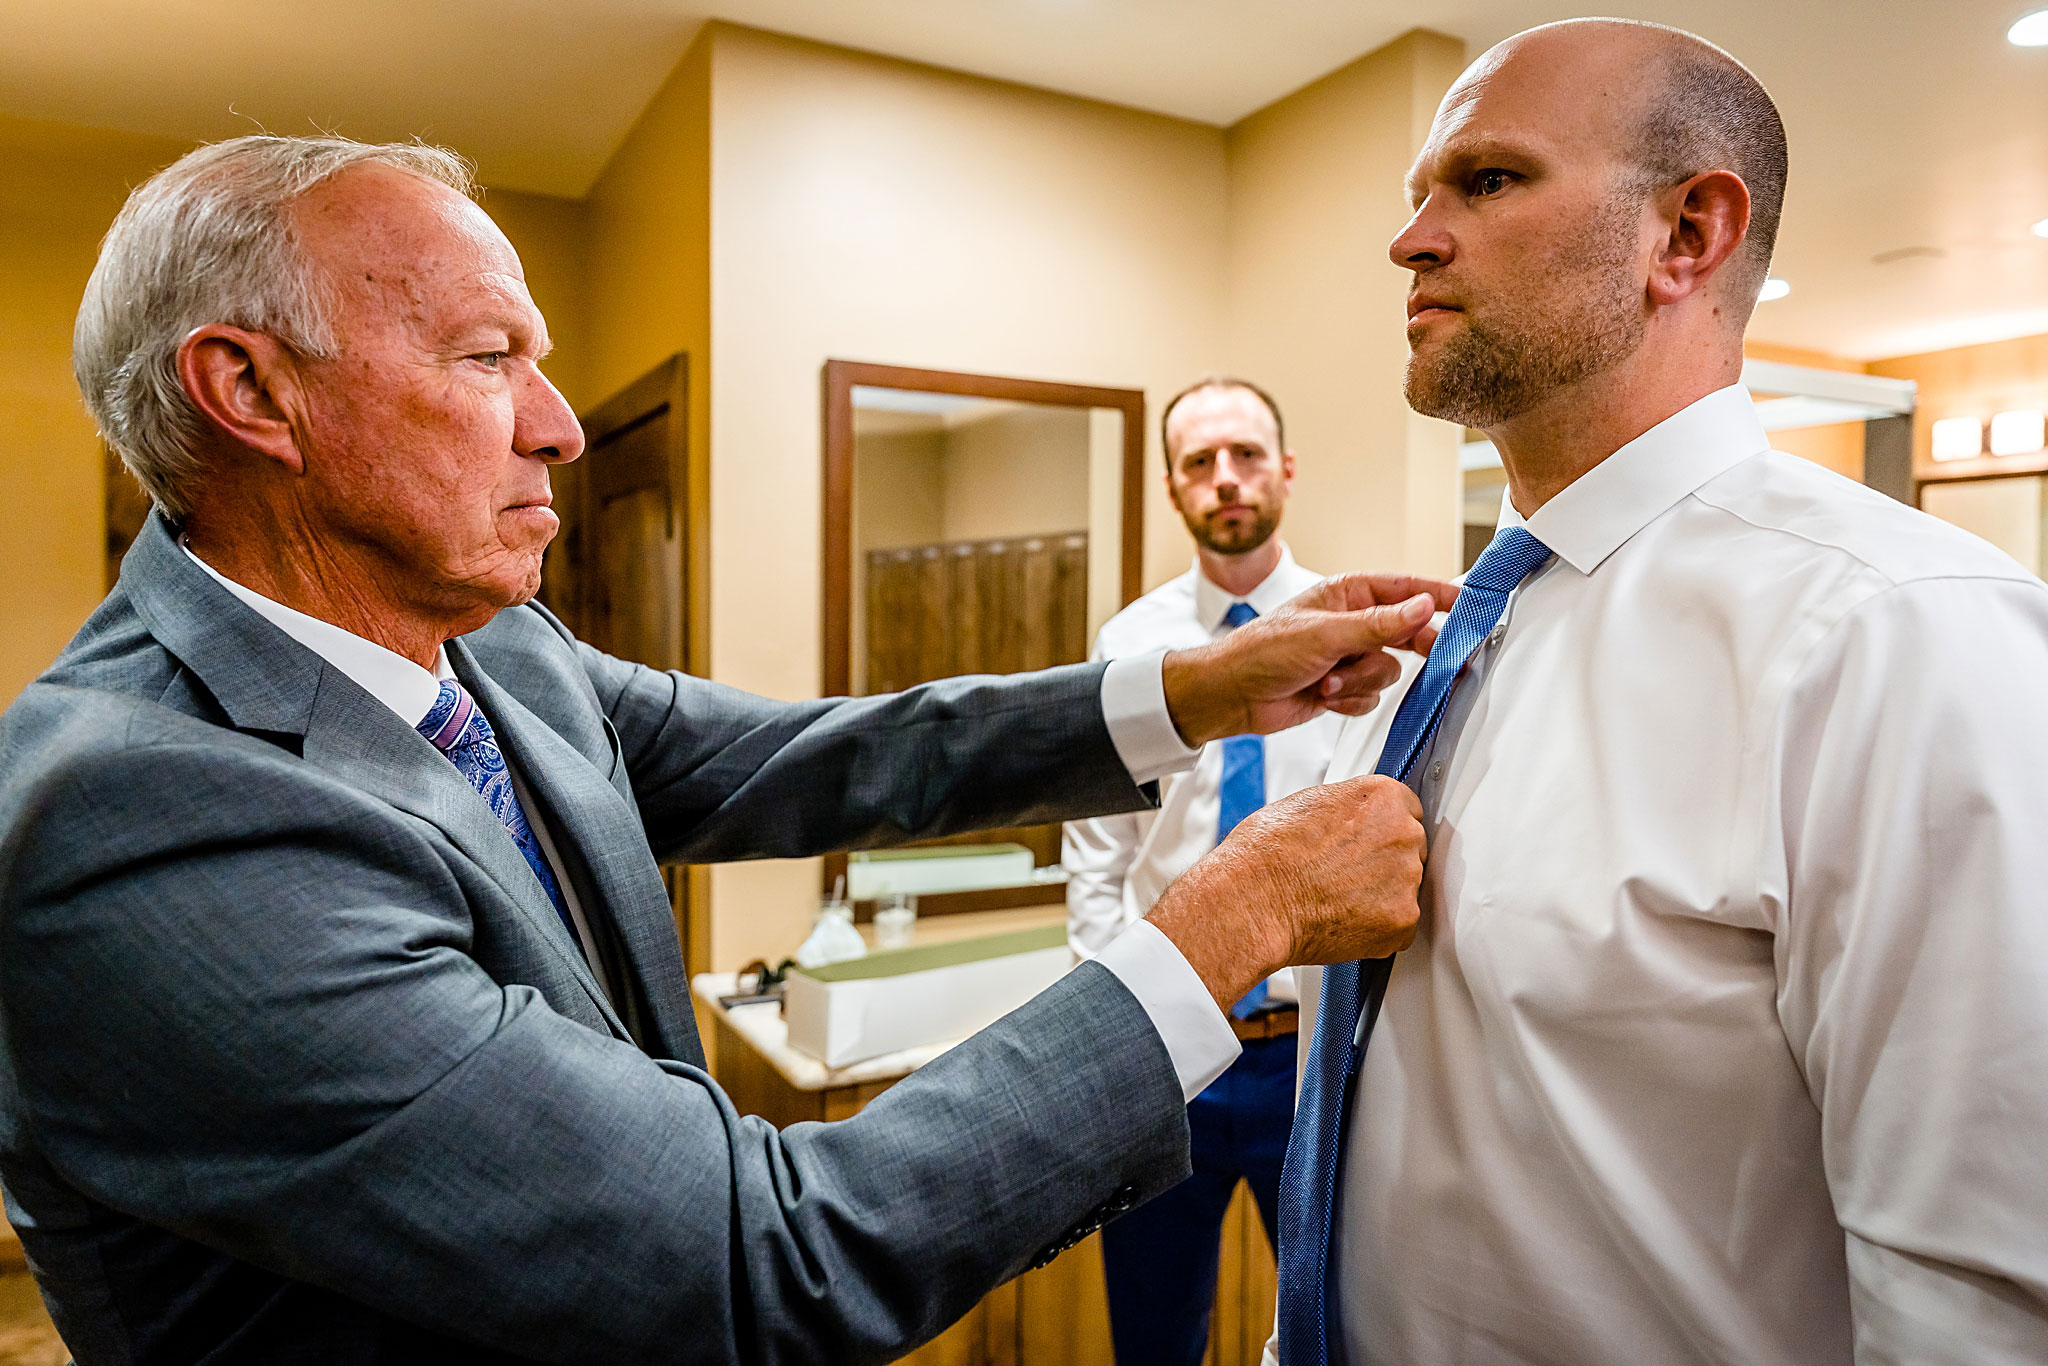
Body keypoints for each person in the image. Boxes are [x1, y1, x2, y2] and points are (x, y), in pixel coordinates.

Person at [0, 136, 1463, 1365]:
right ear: (252, 393)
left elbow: (805, 759)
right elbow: (761, 1254)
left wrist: (1197, 688)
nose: (559, 427)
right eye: (489, 355)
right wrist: (1239, 914)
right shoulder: (136, 815)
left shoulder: (488, 644)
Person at [1269, 18, 2048, 1366]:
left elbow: (1977, 1298)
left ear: (1688, 232)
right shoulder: (1467, 630)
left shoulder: (1896, 642)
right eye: (1417, 198)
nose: (1411, 242)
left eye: (1488, 181)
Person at [1065, 376, 1338, 1365]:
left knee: (1330, 1326)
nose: (1225, 479)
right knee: (1152, 1330)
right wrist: (1117, 1034)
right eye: (1198, 462)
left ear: (1285, 470)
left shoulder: (1351, 636)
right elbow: (1097, 856)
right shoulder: (1128, 645)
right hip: (1166, 1058)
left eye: (1246, 454)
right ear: (1174, 489)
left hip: (1307, 1059)